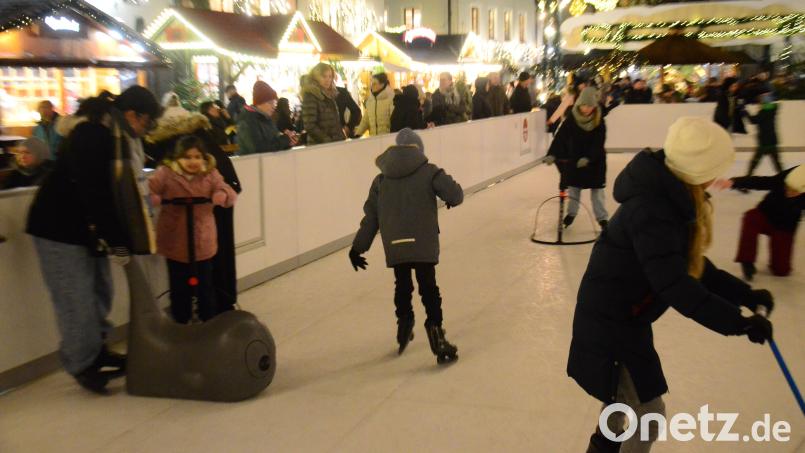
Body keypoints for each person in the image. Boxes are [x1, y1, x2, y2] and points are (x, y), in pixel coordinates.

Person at [569, 117, 775, 453]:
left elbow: (689, 266)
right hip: (610, 324)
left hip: (624, 318)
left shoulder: (669, 196)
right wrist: (738, 322)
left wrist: (745, 295)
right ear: (698, 171)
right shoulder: (653, 209)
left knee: (620, 406)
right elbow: (676, 284)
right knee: (647, 413)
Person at [26, 86, 163, 394]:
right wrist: (117, 239)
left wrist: (119, 237)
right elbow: (96, 195)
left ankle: (96, 350)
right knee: (76, 299)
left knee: (101, 291)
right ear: (132, 115)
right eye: (147, 122)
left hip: (87, 231)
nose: (147, 130)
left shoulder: (115, 137)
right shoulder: (92, 135)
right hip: (58, 230)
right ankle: (82, 364)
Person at [349, 128, 464, 364]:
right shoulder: (429, 171)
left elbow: (371, 217)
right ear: (418, 150)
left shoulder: (381, 180)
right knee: (428, 288)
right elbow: (456, 193)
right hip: (423, 242)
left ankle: (404, 321)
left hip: (396, 244)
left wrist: (357, 248)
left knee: (402, 284)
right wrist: (450, 200)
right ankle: (436, 333)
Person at [146, 112, 243, 313]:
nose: (192, 160)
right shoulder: (201, 139)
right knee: (214, 261)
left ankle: (201, 307)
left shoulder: (173, 143)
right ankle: (220, 302)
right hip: (201, 217)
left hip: (200, 215)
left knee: (192, 273)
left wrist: (222, 194)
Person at [714, 166, 804, 280]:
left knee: (781, 271)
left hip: (784, 227)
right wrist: (734, 182)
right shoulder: (789, 175)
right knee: (751, 217)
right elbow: (764, 182)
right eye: (787, 187)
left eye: (793, 191)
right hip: (765, 214)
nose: (788, 192)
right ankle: (747, 261)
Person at [545, 87, 609, 229]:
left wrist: (589, 158)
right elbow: (561, 137)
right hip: (575, 160)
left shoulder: (599, 121)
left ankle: (602, 219)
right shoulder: (572, 119)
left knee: (597, 192)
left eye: (590, 106)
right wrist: (552, 153)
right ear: (579, 104)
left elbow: (598, 143)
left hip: (595, 162)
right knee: (574, 188)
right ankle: (571, 214)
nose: (587, 109)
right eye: (584, 105)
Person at [237, 81, 297, 154]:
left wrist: (288, 142)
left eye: (274, 103)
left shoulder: (267, 119)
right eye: (270, 103)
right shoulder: (247, 119)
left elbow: (273, 144)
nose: (273, 107)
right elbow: (258, 149)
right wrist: (285, 139)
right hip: (250, 164)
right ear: (259, 102)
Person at [301, 63, 346, 145]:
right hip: (320, 146)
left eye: (330, 76)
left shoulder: (330, 94)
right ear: (315, 77)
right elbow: (310, 125)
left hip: (334, 143)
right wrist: (326, 140)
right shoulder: (311, 95)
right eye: (324, 76)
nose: (328, 79)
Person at [743, 91, 782, 176]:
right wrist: (769, 97)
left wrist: (744, 112)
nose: (759, 102)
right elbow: (777, 102)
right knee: (777, 164)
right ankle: (784, 179)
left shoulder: (763, 112)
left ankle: (747, 179)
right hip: (772, 140)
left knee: (754, 163)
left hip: (764, 142)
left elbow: (753, 120)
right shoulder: (773, 109)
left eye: (760, 100)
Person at [355, 72, 395, 137]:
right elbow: (365, 120)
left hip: (387, 139)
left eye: (374, 84)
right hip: (374, 139)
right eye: (371, 84)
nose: (372, 86)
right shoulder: (370, 101)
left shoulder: (391, 99)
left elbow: (394, 120)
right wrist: (358, 133)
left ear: (382, 84)